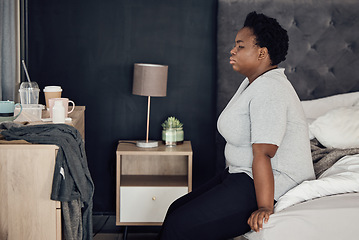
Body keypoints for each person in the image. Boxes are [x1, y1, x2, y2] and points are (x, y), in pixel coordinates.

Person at [158, 11, 315, 240]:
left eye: (240, 46)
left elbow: (264, 153)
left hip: (272, 184)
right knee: (175, 210)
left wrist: (264, 207)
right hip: (241, 174)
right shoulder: (253, 83)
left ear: (262, 53)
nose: (232, 51)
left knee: (179, 225)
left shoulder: (270, 89)